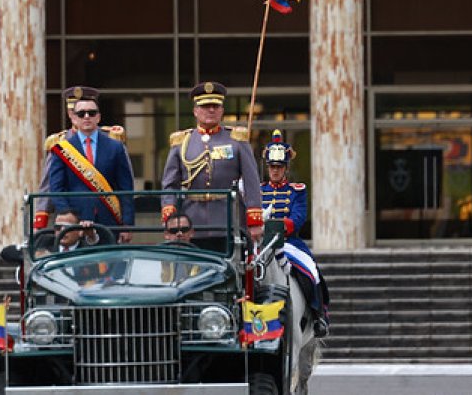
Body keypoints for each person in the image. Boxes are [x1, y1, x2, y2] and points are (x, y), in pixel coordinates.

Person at [161, 81, 264, 251]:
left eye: (215, 106)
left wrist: (254, 220)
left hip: (228, 218)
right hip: (190, 221)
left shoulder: (236, 140)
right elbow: (170, 183)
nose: (211, 110)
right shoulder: (182, 142)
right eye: (205, 106)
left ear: (222, 110)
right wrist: (170, 217)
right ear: (195, 111)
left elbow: (251, 181)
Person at [43, 86, 136, 243]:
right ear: (74, 118)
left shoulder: (116, 147)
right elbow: (56, 189)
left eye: (91, 113)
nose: (87, 117)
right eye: (81, 114)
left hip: (109, 220)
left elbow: (126, 188)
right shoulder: (61, 149)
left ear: (98, 117)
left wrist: (127, 224)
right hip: (75, 224)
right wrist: (68, 216)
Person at [259, 130, 329, 338]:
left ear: (286, 168)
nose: (275, 171)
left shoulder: (297, 190)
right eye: (272, 166)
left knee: (311, 271)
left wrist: (276, 227)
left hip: (289, 242)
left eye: (279, 167)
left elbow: (298, 217)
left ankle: (318, 315)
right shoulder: (258, 191)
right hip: (261, 243)